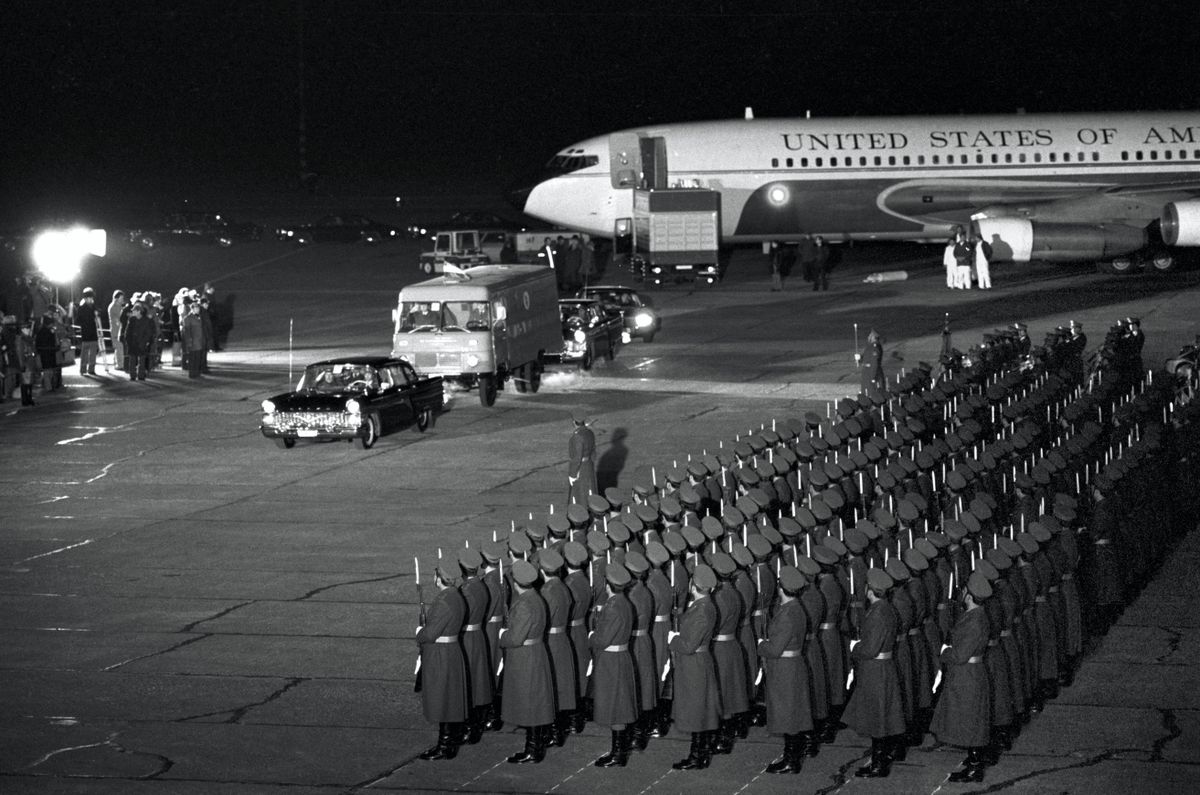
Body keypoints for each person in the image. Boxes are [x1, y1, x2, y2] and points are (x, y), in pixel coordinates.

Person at [843, 567, 906, 778]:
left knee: (877, 716)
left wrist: (854, 648)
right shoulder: (886, 608)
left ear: (870, 589)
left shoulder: (879, 613)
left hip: (876, 670)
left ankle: (879, 763)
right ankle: (881, 756)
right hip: (881, 667)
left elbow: (870, 649)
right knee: (881, 714)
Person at [931, 572, 993, 782]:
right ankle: (974, 760)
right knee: (970, 718)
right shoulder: (975, 615)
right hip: (967, 674)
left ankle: (975, 767)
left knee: (971, 720)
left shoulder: (975, 621)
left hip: (968, 675)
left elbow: (959, 654)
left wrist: (944, 651)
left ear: (968, 595)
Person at [757, 564, 814, 774]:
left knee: (788, 714)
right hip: (791, 665)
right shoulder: (795, 608)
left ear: (781, 588)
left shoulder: (788, 613)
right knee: (793, 712)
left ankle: (791, 760)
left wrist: (761, 644)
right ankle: (792, 754)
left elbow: (774, 648)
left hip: (785, 668)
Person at [500, 560, 555, 764]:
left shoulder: (524, 604)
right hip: (535, 652)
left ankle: (533, 749)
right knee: (535, 702)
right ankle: (536, 745)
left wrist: (502, 636)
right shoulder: (535, 598)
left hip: (525, 657)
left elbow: (515, 639)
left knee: (530, 703)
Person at [670, 563, 721, 770]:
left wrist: (673, 639)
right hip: (697, 662)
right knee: (700, 708)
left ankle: (697, 755)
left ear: (693, 585)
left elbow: (689, 645)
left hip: (694, 664)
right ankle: (701, 751)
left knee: (696, 709)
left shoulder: (702, 610)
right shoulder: (703, 605)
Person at [416, 563, 470, 761]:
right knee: (450, 697)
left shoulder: (444, 601)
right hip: (451, 650)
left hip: (441, 653)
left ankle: (445, 745)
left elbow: (430, 634)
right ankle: (450, 740)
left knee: (442, 699)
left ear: (439, 579)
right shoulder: (456, 597)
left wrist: (419, 633)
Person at [589, 563, 638, 767]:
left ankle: (618, 753)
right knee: (618, 705)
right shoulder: (624, 603)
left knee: (616, 706)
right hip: (620, 657)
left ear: (608, 584)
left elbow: (602, 640)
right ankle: (619, 749)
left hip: (612, 661)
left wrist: (591, 635)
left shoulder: (613, 607)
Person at [71, 287, 103, 375]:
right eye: (89, 298)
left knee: (93, 353)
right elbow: (78, 320)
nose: (91, 299)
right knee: (84, 353)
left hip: (93, 332)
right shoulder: (82, 308)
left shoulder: (94, 307)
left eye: (91, 298)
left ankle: (91, 369)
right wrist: (85, 322)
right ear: (85, 298)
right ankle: (83, 369)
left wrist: (97, 313)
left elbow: (99, 314)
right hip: (85, 333)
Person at [568, 416, 597, 505]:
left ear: (574, 422)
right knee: (591, 496)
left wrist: (573, 474)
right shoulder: (590, 433)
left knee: (579, 498)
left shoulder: (577, 436)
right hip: (589, 466)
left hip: (580, 469)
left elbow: (577, 457)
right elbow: (594, 453)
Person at [122, 303, 155, 381]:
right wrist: (128, 341)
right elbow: (127, 332)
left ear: (139, 311)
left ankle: (141, 375)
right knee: (133, 360)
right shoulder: (132, 320)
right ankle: (133, 375)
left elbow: (148, 333)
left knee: (141, 360)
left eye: (134, 311)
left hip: (141, 343)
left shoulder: (145, 320)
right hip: (133, 342)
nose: (133, 312)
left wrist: (145, 341)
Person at [181, 301, 205, 378]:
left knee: (198, 358)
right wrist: (189, 341)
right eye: (196, 308)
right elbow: (187, 331)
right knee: (192, 358)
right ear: (192, 309)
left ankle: (197, 373)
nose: (198, 310)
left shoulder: (199, 317)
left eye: (198, 308)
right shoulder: (187, 318)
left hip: (198, 341)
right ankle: (192, 373)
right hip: (193, 341)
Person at [860, 329, 886, 394]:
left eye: (870, 335)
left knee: (872, 393)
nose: (868, 337)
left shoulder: (875, 347)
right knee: (866, 392)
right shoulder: (869, 346)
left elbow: (874, 363)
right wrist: (859, 359)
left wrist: (872, 377)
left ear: (873, 337)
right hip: (866, 373)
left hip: (871, 373)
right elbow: (866, 360)